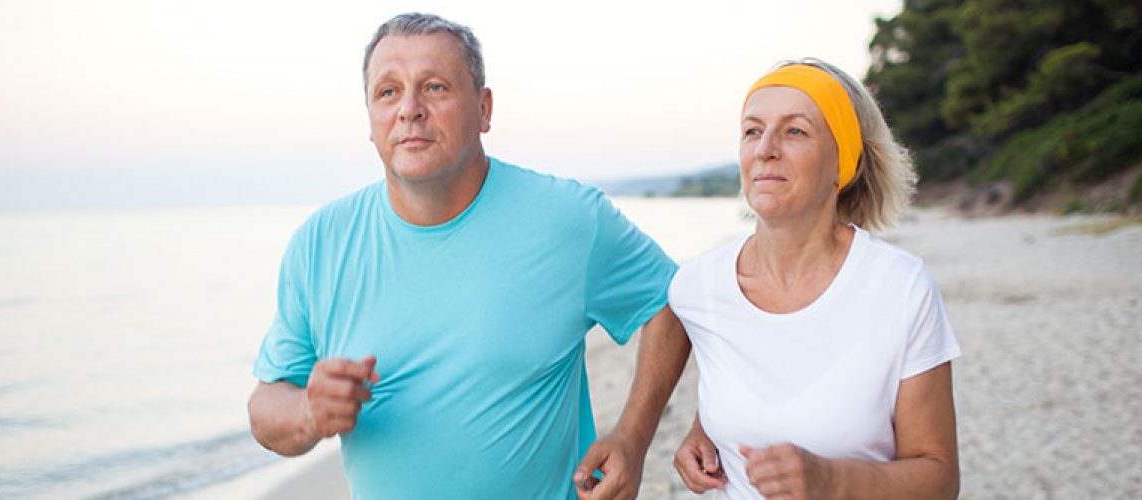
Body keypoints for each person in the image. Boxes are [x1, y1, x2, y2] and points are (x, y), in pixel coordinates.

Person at [246, 12, 690, 500]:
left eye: (434, 87)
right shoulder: (320, 243)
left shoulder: (566, 220)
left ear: (483, 108)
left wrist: (633, 436)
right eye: (388, 91)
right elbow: (267, 405)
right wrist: (310, 412)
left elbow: (674, 302)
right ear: (370, 119)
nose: (409, 109)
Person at [668, 59, 961, 499]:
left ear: (844, 159)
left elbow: (939, 480)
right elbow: (703, 343)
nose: (765, 148)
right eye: (752, 130)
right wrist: (696, 428)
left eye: (795, 131)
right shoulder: (697, 286)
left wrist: (832, 481)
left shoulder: (899, 287)